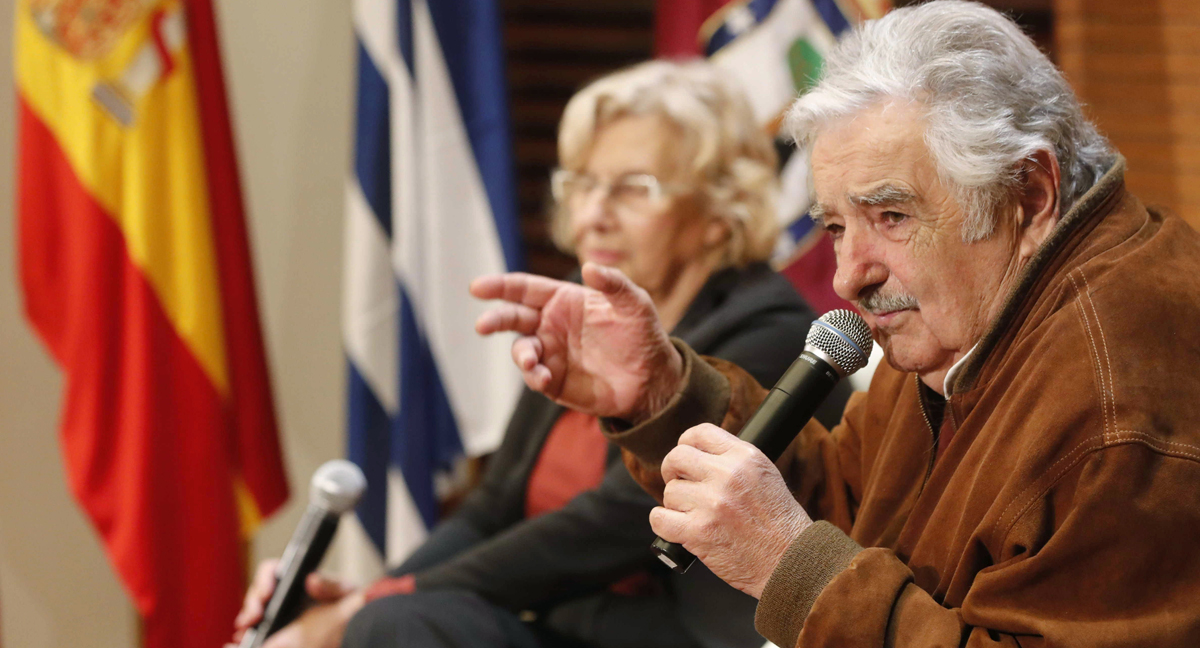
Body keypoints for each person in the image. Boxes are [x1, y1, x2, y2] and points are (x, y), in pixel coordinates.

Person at [470, 2, 1200, 647]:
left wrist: (796, 571)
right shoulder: (978, 319)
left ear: (1030, 193)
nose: (851, 274)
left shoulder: (1118, 408)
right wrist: (665, 393)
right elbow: (850, 500)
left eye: (891, 216)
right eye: (836, 227)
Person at [232, 60, 851, 648]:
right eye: (582, 184)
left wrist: (363, 612)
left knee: (397, 626)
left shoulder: (770, 330)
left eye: (633, 189)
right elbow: (491, 509)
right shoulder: (590, 323)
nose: (594, 215)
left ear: (720, 212)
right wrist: (367, 597)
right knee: (392, 622)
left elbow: (620, 521)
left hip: (674, 633)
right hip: (564, 622)